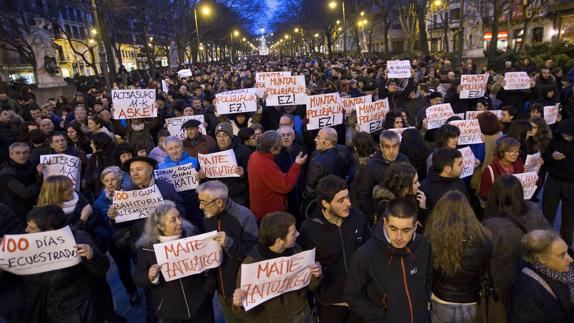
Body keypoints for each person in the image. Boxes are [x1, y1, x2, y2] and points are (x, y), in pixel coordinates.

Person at [344, 198, 432, 323]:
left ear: (415, 226)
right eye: (393, 228)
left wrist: (424, 303)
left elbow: (428, 277)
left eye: (406, 230)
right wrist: (380, 317)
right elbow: (352, 294)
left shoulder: (423, 244)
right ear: (385, 222)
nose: (399, 237)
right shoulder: (365, 255)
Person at [299, 175, 370, 323]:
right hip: (330, 303)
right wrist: (316, 276)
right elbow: (306, 274)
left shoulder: (358, 218)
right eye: (341, 201)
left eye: (348, 197)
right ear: (325, 203)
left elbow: (371, 252)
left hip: (360, 298)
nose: (348, 203)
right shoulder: (308, 229)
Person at [21, 205, 109, 323]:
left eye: (32, 228)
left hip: (78, 312)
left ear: (49, 230)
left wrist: (92, 255)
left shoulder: (78, 240)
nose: (26, 230)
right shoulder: (30, 244)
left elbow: (102, 268)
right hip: (50, 311)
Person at [232, 212, 322, 322]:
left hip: (300, 318)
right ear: (279, 241)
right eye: (293, 233)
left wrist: (315, 276)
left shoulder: (296, 251)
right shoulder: (250, 265)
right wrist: (239, 304)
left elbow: (310, 287)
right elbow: (241, 313)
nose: (298, 234)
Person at [133, 201, 215, 323]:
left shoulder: (193, 236)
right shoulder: (146, 248)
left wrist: (207, 290)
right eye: (173, 220)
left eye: (179, 217)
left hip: (200, 306)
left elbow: (212, 265)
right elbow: (138, 278)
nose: (180, 222)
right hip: (170, 311)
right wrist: (149, 276)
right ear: (160, 226)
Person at [483, 175, 552, 310]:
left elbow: (483, 257)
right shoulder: (534, 210)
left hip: (502, 283)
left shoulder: (491, 225)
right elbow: (549, 236)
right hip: (532, 276)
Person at [426, 191, 492, 323]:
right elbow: (484, 270)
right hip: (471, 300)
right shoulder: (484, 240)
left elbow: (429, 272)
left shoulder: (433, 239)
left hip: (441, 299)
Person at [198, 180, 259, 323]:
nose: (200, 206)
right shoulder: (208, 217)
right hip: (221, 290)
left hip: (242, 290)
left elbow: (254, 253)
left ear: (219, 202)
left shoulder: (245, 216)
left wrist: (229, 243)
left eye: (204, 202)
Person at [93, 166, 140, 307]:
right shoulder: (99, 202)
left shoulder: (133, 193)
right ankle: (132, 292)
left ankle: (149, 290)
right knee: (124, 270)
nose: (110, 183)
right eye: (106, 180)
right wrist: (109, 221)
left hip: (135, 237)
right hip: (116, 242)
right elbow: (98, 224)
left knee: (141, 265)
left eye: (113, 179)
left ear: (119, 179)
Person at [511, 230, 574, 323]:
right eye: (562, 255)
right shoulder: (527, 290)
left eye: (567, 252)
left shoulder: (562, 272)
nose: (571, 259)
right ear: (542, 259)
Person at [247, 130, 307, 220]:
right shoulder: (266, 165)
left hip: (261, 210)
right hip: (271, 215)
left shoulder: (254, 155)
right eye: (279, 145)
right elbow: (286, 185)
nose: (281, 146)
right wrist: (297, 165)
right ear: (272, 149)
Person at [354, 130, 410, 220]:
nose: (392, 151)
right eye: (387, 147)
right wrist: (372, 215)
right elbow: (363, 194)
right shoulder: (371, 166)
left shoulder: (404, 159)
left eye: (395, 146)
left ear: (399, 146)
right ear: (381, 147)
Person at [542, 118, 574, 247]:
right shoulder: (555, 141)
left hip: (571, 184)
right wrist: (551, 156)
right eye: (563, 134)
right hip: (553, 181)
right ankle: (545, 244)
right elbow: (545, 158)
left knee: (569, 218)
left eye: (569, 135)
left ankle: (565, 245)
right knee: (547, 215)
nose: (566, 137)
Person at [303, 127, 351, 205]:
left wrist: (306, 201)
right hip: (336, 197)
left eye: (318, 138)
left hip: (320, 200)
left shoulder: (317, 162)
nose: (315, 140)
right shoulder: (343, 154)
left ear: (328, 142)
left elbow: (310, 185)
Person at [207, 121, 252, 206]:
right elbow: (210, 178)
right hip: (219, 197)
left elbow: (253, 175)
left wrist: (244, 174)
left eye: (225, 135)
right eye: (218, 136)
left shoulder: (244, 151)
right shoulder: (211, 152)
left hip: (239, 198)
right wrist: (204, 175)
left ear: (231, 136)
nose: (221, 139)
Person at [0, 142, 40, 220]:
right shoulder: (7, 172)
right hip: (14, 213)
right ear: (11, 155)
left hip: (28, 210)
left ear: (29, 154)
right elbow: (23, 192)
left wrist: (39, 174)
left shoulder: (29, 165)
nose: (22, 155)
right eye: (17, 153)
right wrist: (38, 184)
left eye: (25, 152)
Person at [420, 147, 468, 211]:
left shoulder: (460, 183)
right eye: (460, 164)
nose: (463, 166)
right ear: (447, 169)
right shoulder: (425, 187)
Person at [479, 137, 525, 201]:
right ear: (502, 152)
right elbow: (483, 194)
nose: (515, 154)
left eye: (517, 151)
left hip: (516, 206)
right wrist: (502, 196)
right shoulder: (490, 170)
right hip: (499, 208)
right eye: (511, 151)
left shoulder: (519, 164)